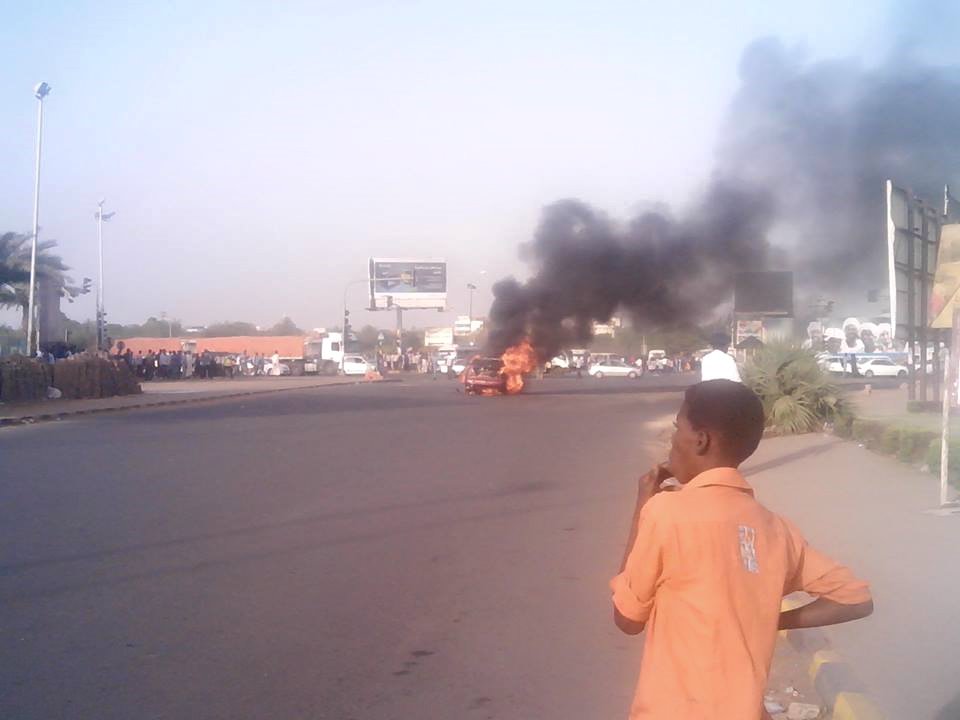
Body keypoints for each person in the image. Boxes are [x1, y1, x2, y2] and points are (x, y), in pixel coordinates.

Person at [610, 380, 873, 719]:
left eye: (677, 428)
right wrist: (770, 620)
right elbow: (855, 599)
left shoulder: (666, 513)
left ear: (701, 439)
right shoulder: (776, 528)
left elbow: (627, 619)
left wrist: (641, 509)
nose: (671, 440)